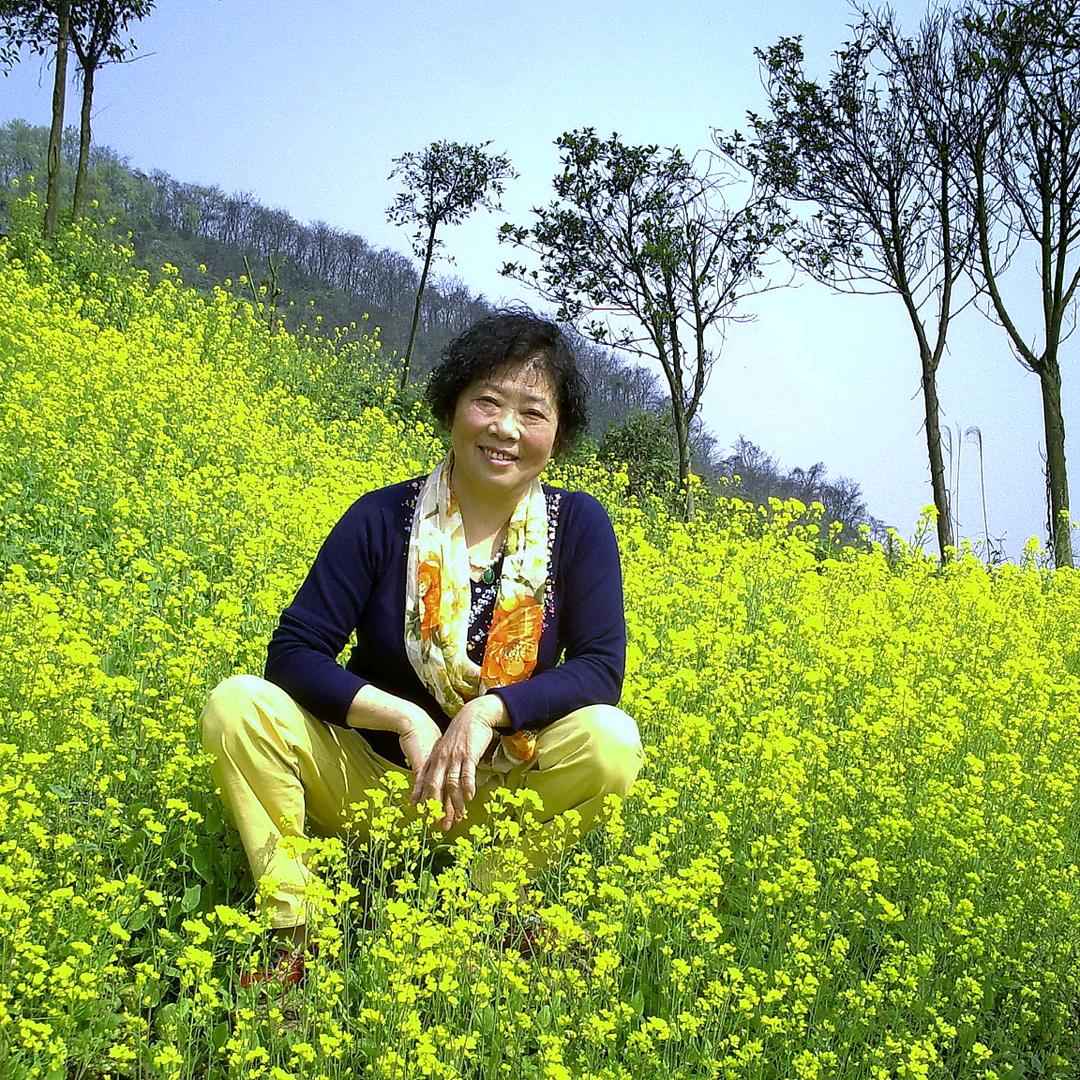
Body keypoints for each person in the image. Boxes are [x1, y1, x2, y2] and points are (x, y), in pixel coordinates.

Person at [199, 310, 643, 985]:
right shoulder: (383, 517)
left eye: (532, 411)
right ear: (453, 406)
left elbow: (600, 670)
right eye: (487, 401)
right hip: (370, 784)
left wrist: (488, 712)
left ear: (557, 434)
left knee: (612, 740)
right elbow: (293, 653)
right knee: (237, 706)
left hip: (495, 789)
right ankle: (296, 929)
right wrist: (404, 718)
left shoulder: (577, 526)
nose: (505, 427)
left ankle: (485, 900)